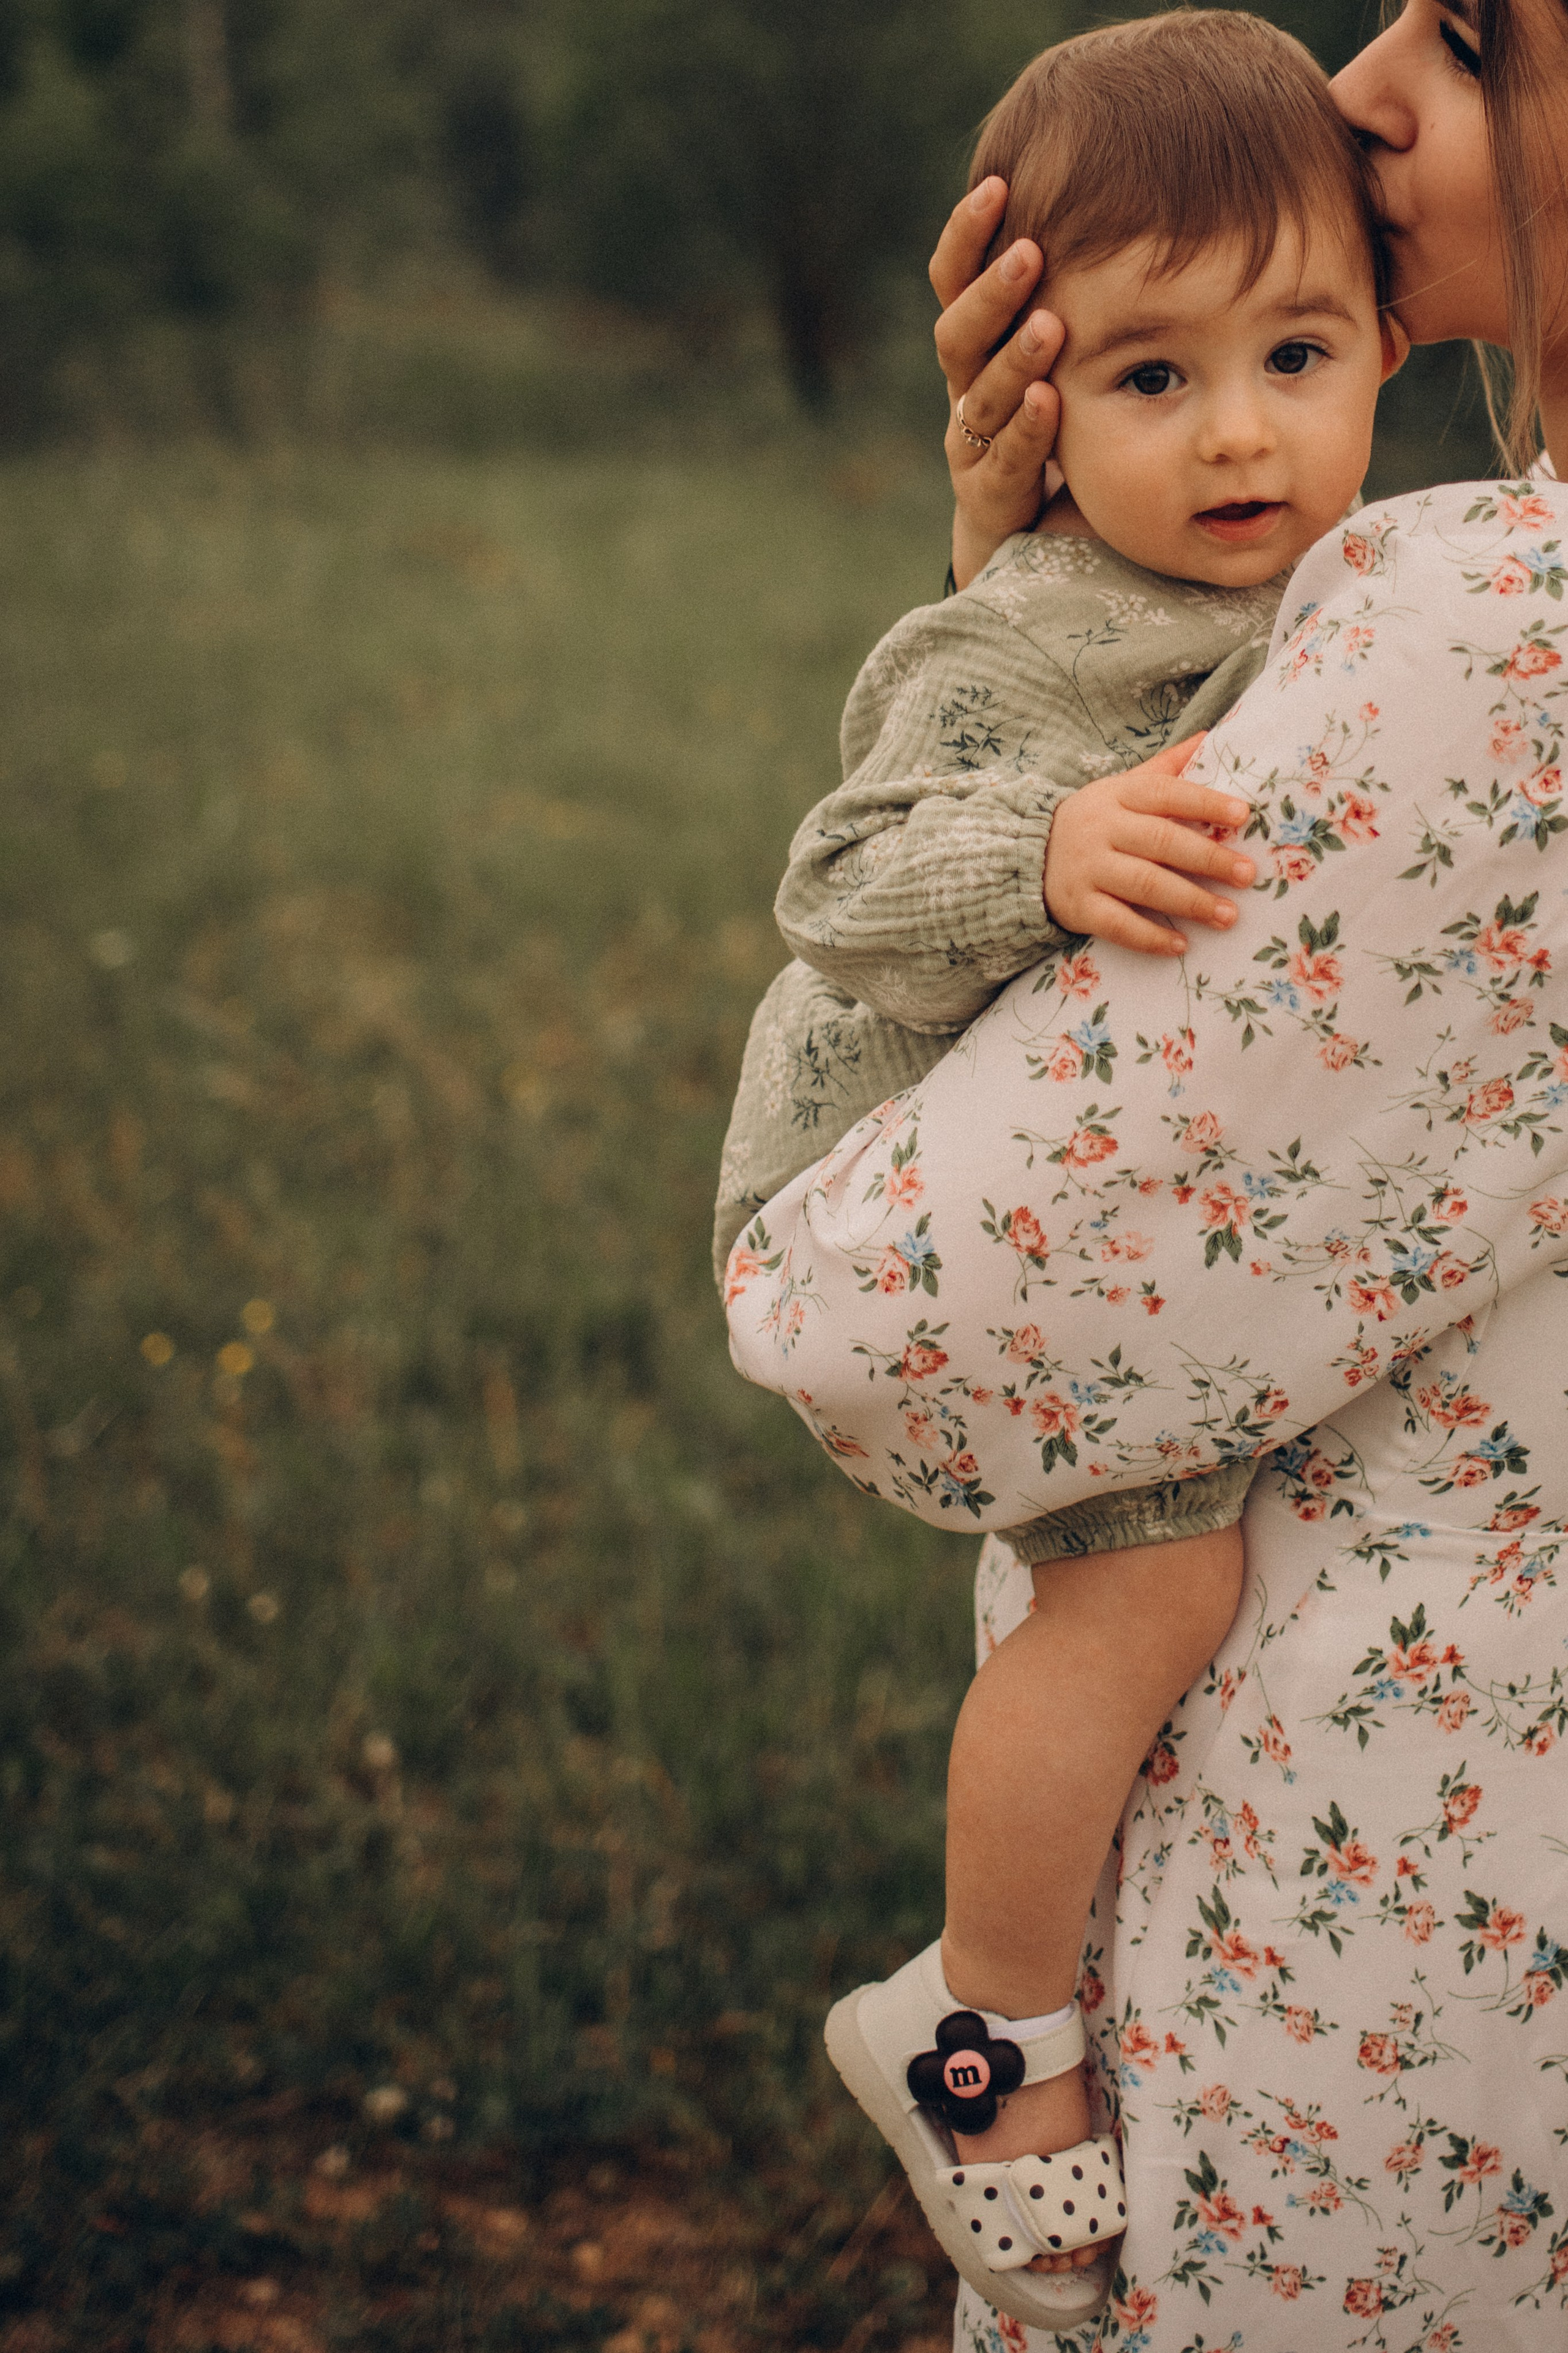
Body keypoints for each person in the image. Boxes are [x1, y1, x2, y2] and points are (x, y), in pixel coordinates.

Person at [723, 2, 1568, 2346]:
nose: (1371, 85)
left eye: (1479, 33)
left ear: (1379, 354)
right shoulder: (1373, 589)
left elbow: (858, 1312)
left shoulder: (1482, 622)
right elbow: (885, 871)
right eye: (1148, 375)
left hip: (1366, 1953)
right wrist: (1036, 639)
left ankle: (983, 2018)